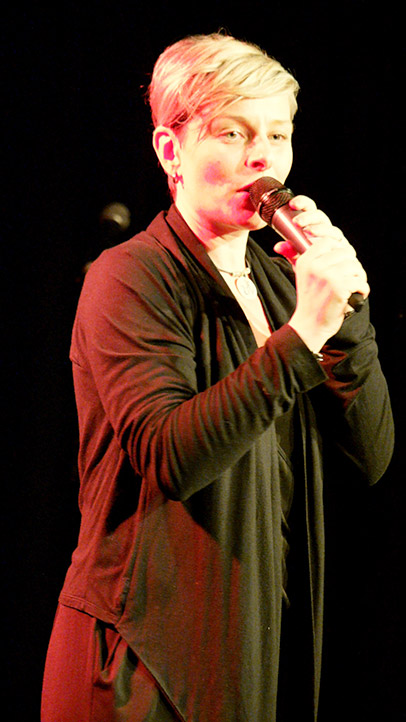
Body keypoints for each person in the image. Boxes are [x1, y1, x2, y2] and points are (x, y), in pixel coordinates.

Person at [41, 33, 394, 722]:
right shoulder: (129, 277)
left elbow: (370, 457)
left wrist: (346, 320)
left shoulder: (284, 283)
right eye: (233, 133)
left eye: (277, 134)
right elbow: (170, 457)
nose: (263, 157)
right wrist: (303, 336)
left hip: (250, 646)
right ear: (171, 151)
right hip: (141, 664)